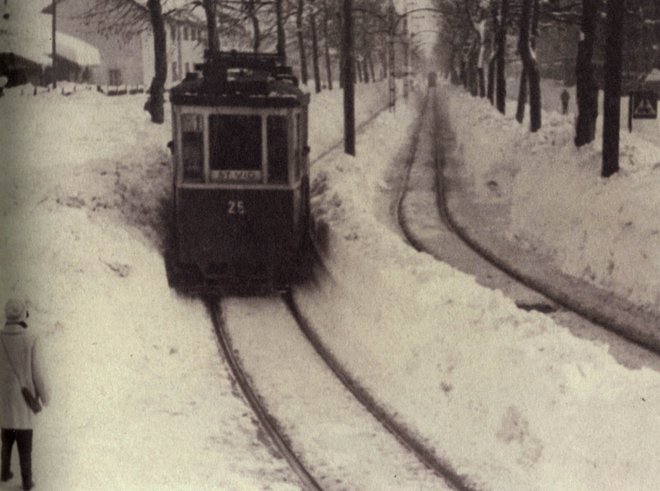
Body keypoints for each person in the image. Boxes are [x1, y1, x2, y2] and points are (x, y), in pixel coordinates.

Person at [0, 299, 50, 491]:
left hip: (4, 401)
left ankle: (4, 472)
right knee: (24, 443)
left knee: (6, 437)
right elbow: (38, 373)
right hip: (23, 402)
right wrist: (45, 397)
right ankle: (27, 481)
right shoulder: (31, 339)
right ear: (23, 315)